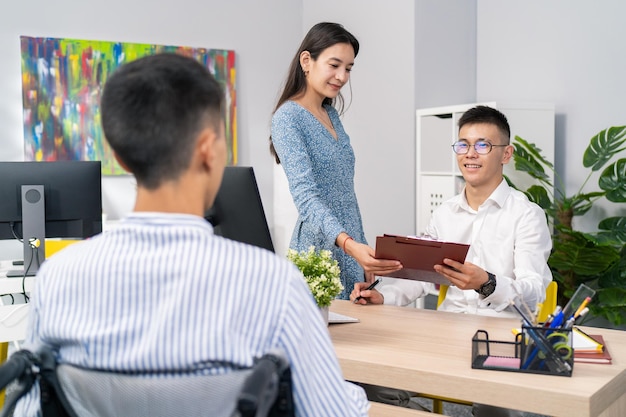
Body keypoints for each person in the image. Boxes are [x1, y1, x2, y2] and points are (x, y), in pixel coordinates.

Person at [14, 53, 369, 417]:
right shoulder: (273, 285)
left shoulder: (57, 280)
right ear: (208, 150)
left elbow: (30, 410)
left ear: (120, 157)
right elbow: (331, 412)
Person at [351, 105, 553, 417]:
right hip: (445, 334)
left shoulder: (526, 216)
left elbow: (533, 293)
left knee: (498, 406)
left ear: (506, 154)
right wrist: (383, 296)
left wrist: (486, 282)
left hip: (500, 338)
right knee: (368, 381)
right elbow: (422, 275)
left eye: (483, 145)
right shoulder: (445, 213)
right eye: (463, 144)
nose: (470, 154)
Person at [270, 22, 401, 299]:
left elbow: (345, 194)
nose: (342, 76)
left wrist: (361, 247)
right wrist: (351, 245)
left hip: (350, 246)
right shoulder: (287, 119)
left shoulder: (332, 115)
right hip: (319, 253)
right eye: (334, 65)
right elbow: (307, 199)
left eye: (349, 68)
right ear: (307, 61)